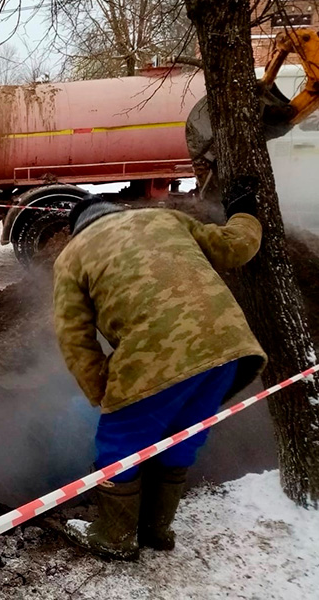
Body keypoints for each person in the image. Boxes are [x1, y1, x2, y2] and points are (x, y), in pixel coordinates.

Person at [52, 185, 268, 561]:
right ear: (114, 211)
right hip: (227, 347)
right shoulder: (167, 218)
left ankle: (115, 536)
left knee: (118, 448)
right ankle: (155, 529)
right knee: (182, 438)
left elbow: (75, 337)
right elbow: (235, 248)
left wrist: (102, 393)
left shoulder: (73, 256)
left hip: (155, 357)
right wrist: (245, 212)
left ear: (78, 229)